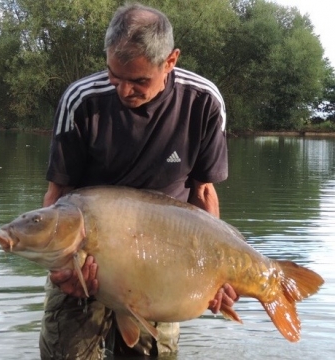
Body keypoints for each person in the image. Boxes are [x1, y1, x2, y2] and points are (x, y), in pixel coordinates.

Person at [39, 3, 238, 359]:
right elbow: (59, 193)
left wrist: (215, 270)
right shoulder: (80, 100)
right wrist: (60, 267)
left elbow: (204, 193)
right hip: (90, 255)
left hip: (162, 258)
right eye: (115, 76)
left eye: (139, 81)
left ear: (171, 61)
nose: (124, 91)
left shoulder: (203, 101)